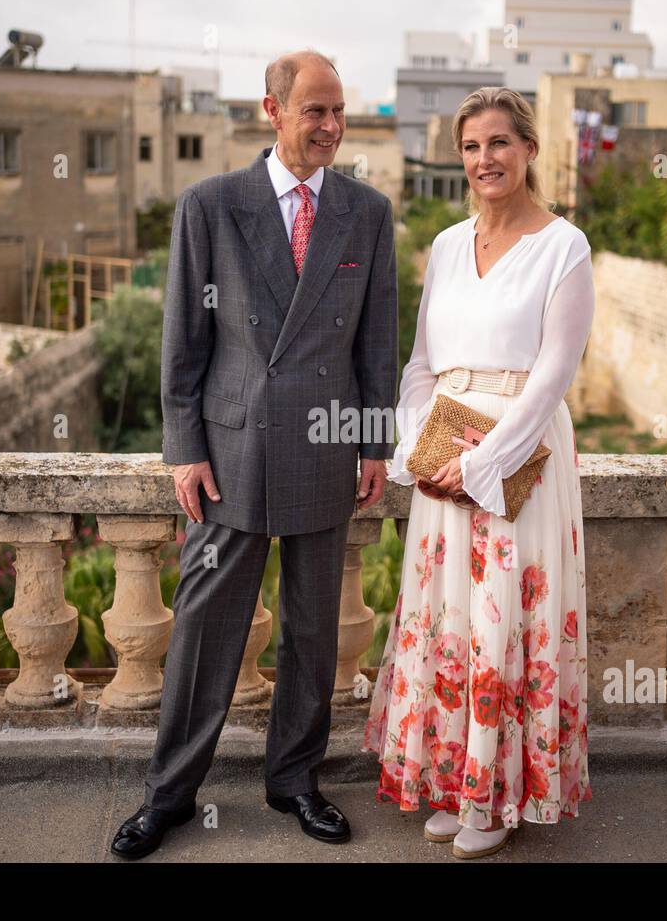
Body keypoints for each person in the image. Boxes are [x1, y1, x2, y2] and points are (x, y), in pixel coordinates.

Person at [111, 49, 398, 860]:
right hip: (232, 453)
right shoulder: (209, 205)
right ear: (271, 110)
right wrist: (183, 448)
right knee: (205, 629)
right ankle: (167, 795)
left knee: (312, 629)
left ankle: (295, 781)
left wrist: (374, 438)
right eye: (315, 110)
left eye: (339, 111)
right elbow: (184, 341)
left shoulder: (367, 213)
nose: (332, 127)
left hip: (325, 448)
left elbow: (379, 337)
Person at [362, 86, 596, 859]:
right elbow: (424, 364)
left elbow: (555, 374)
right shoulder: (446, 245)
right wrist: (416, 454)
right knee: (450, 622)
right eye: (471, 146)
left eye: (499, 142)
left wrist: (483, 463)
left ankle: (496, 800)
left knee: (504, 622)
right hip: (445, 462)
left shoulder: (565, 246)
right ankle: (458, 779)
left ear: (528, 149)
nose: (484, 159)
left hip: (519, 460)